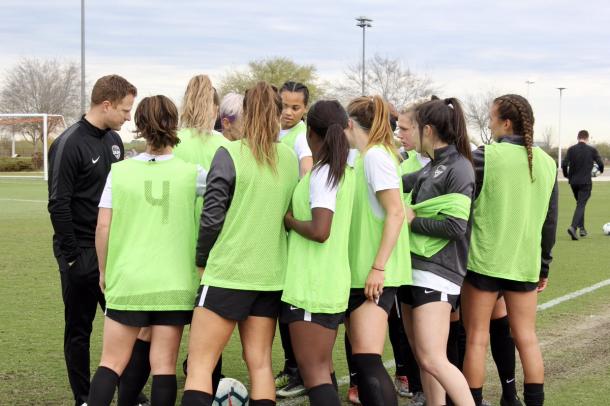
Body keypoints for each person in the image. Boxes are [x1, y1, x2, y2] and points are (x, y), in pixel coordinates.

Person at [181, 81, 299, 406]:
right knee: (260, 364)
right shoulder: (290, 159)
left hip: (227, 273)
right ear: (277, 114)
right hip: (270, 276)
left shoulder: (229, 152)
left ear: (245, 113)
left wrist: (202, 259)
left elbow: (211, 215)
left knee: (200, 366)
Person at [88, 95, 203, 406]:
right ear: (174, 125)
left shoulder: (120, 171)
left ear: (139, 127)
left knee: (110, 363)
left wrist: (103, 270)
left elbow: (103, 227)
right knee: (164, 367)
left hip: (129, 281)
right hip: (175, 283)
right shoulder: (194, 173)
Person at [47, 74, 138, 406]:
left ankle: (130, 392)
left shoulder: (114, 141)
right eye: (125, 110)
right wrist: (74, 258)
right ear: (106, 104)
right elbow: (58, 203)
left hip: (112, 250)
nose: (128, 117)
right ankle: (83, 397)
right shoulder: (68, 143)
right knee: (79, 330)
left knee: (127, 326)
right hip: (81, 253)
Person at [462, 94, 558, 406]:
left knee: (476, 340)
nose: (489, 124)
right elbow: (550, 221)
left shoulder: (485, 155)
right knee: (527, 339)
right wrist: (543, 265)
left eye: (491, 118)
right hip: (524, 264)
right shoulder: (547, 162)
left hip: (484, 262)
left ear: (506, 123)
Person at [399, 97, 475, 406]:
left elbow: (456, 226)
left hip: (438, 274)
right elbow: (392, 186)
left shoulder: (459, 167)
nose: (404, 133)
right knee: (424, 359)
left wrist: (413, 220)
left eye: (411, 127)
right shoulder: (431, 167)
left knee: (432, 358)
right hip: (411, 270)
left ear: (427, 130)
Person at [280, 99, 354, 406]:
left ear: (311, 132)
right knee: (322, 369)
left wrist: (289, 220)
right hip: (330, 281)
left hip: (312, 285)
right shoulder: (342, 171)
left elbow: (321, 231)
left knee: (314, 374)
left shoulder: (323, 174)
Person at [344, 95, 411, 406]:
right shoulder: (364, 156)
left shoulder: (375, 157)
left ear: (350, 125)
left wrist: (378, 267)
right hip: (362, 271)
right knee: (363, 359)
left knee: (369, 360)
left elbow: (396, 212)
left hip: (374, 272)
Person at [275, 80, 313, 398]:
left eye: (295, 107)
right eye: (284, 105)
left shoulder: (303, 138)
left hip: (291, 232)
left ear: (305, 110)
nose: (287, 112)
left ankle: (300, 371)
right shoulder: (275, 132)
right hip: (275, 233)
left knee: (291, 305)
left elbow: (307, 173)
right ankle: (291, 367)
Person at [561, 129, 604, 239]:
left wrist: (567, 175)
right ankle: (573, 227)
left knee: (580, 203)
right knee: (581, 204)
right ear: (587, 138)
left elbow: (564, 164)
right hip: (585, 182)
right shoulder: (592, 150)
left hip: (573, 182)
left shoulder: (571, 149)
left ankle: (582, 230)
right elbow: (600, 164)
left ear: (578, 137)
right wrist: (600, 170)